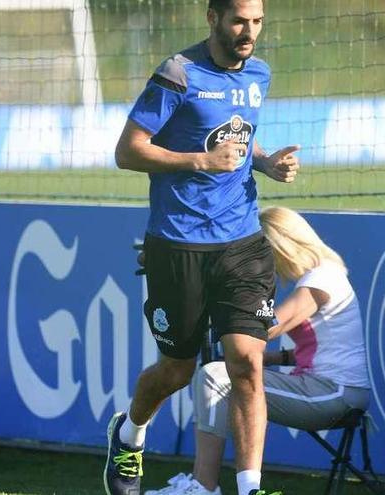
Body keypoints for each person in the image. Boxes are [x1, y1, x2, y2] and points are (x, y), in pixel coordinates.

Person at [106, 0, 301, 494]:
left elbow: (239, 136)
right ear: (212, 18)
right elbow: (128, 151)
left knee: (246, 363)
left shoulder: (260, 73)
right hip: (178, 244)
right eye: (239, 20)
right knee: (176, 371)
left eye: (256, 21)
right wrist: (200, 161)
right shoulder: (178, 73)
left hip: (242, 242)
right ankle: (129, 434)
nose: (249, 31)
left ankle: (250, 487)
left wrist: (265, 163)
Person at [144, 206, 371, 495]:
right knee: (219, 375)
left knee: (215, 376)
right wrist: (274, 358)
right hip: (332, 390)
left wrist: (220, 309)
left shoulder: (323, 277)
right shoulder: (323, 275)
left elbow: (272, 325)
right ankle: (203, 484)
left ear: (280, 244)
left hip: (336, 395)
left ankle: (203, 486)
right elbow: (324, 347)